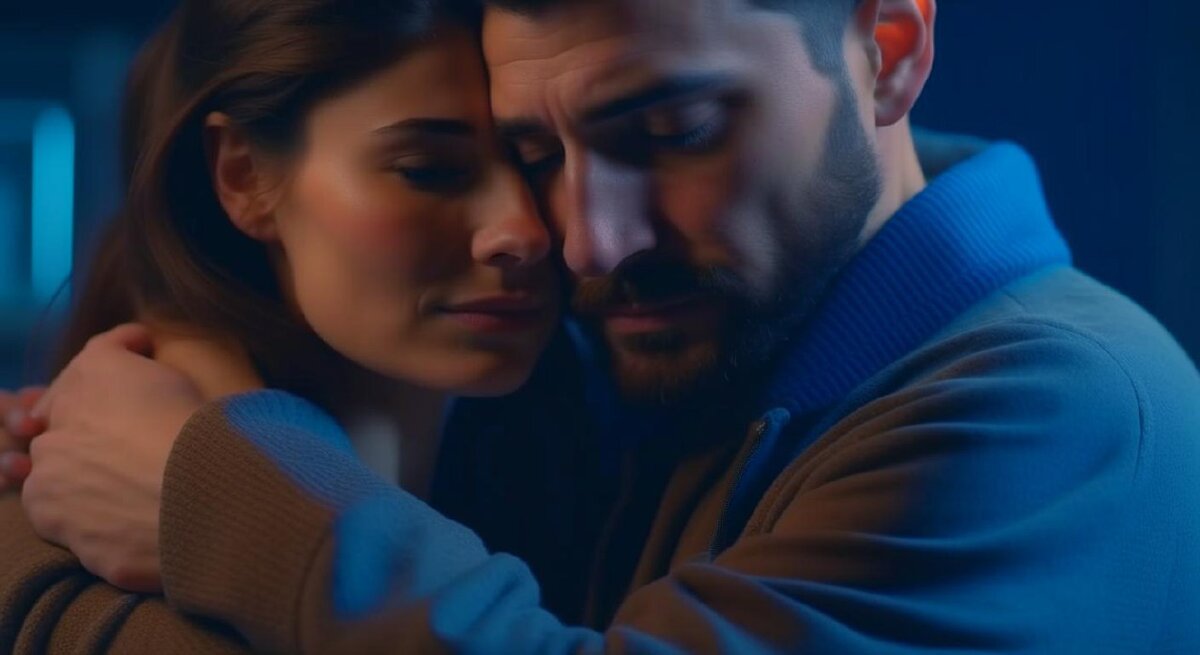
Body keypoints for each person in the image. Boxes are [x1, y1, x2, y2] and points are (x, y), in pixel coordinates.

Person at [8, 0, 1200, 652]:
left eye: (673, 132)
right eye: (540, 150)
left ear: (887, 50)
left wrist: (212, 483)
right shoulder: (658, 360)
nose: (584, 239)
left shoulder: (1063, 410)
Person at [0, 0, 567, 650]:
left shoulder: (596, 478)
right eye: (428, 170)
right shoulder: (66, 576)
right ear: (243, 175)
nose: (521, 230)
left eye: (540, 161)